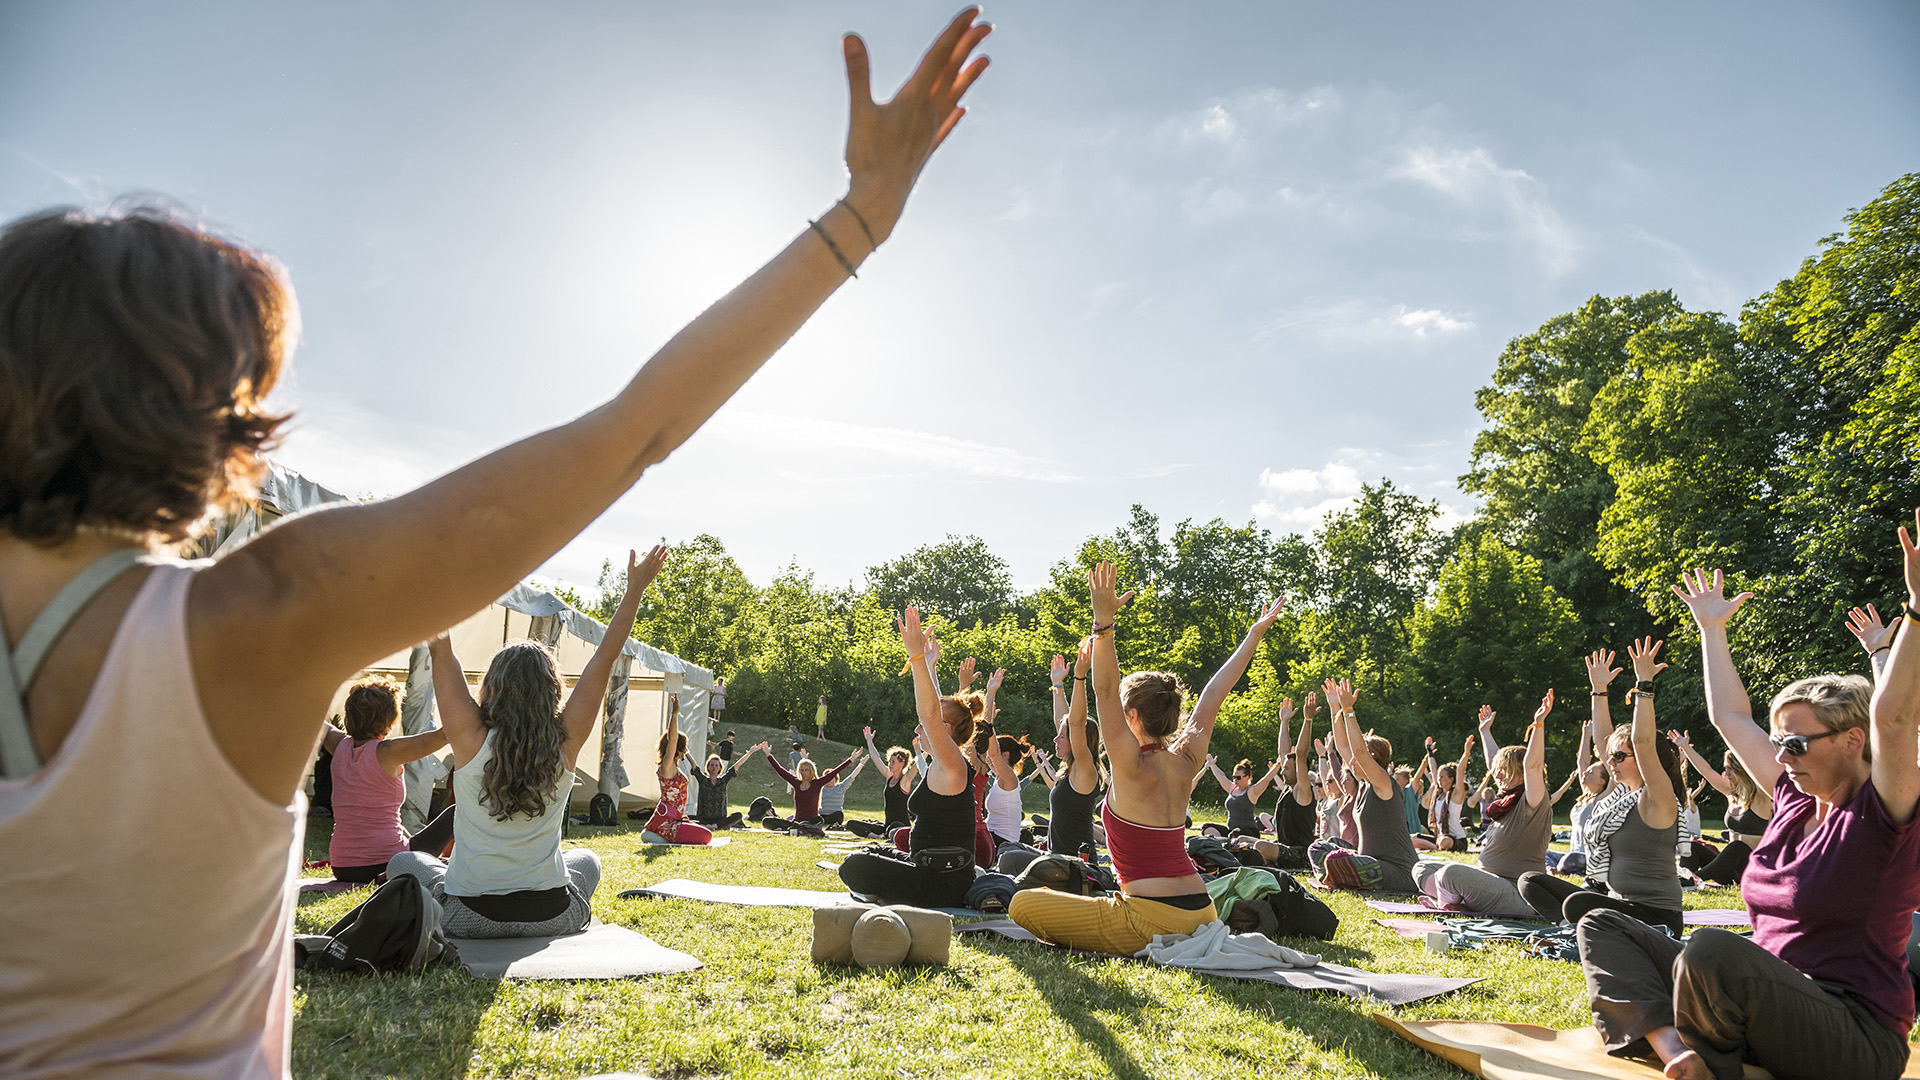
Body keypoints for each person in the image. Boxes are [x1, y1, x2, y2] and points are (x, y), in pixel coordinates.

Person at [0, 13, 991, 1071]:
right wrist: (861, 219)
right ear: (215, 415)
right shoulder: (268, 611)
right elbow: (631, 434)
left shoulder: (273, 612)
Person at [1570, 558, 1920, 1080]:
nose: (1781, 756)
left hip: (1852, 1037)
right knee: (1601, 922)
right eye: (1779, 743)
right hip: (1764, 998)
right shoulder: (1792, 800)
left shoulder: (1882, 812)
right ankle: (1678, 1051)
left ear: (1852, 740)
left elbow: (1893, 718)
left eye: (1796, 744)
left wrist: (1915, 612)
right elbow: (1729, 716)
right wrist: (1712, 629)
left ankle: (1711, 1059)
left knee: (1711, 951)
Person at [1007, 562, 1284, 957]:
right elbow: (1215, 691)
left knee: (1022, 903)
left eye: (1122, 711)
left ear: (1132, 716)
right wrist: (1253, 636)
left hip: (1150, 918)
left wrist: (1103, 624)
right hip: (1203, 913)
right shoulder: (1187, 756)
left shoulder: (1130, 764)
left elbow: (1103, 689)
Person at [388, 546, 661, 937]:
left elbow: (440, 646)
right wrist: (634, 589)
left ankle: (460, 876)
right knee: (586, 861)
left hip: (468, 918)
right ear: (552, 692)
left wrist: (434, 578)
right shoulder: (566, 742)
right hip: (552, 915)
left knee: (405, 862)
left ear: (492, 687)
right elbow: (604, 657)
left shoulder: (469, 737)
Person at [1518, 638, 1684, 934]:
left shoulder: (1658, 798)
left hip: (1655, 916)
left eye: (1621, 756)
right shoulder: (1623, 795)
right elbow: (1602, 740)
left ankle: (1579, 926)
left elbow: (1643, 742)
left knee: (1577, 905)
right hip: (1615, 904)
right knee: (1530, 881)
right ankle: (1574, 929)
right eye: (1612, 757)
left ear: (1645, 759)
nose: (1612, 761)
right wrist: (1599, 690)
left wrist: (1644, 683)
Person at [839, 608, 988, 908]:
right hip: (927, 867)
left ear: (944, 730)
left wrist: (917, 655)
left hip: (942, 883)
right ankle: (881, 890)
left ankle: (877, 892)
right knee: (871, 853)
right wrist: (929, 666)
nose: (919, 728)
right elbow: (933, 707)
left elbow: (929, 712)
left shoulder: (953, 765)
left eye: (927, 726)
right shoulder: (943, 762)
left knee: (853, 866)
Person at [1414, 691, 1554, 914]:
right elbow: (1494, 763)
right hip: (1489, 884)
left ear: (1520, 773)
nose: (1497, 776)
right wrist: (1484, 731)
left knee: (1451, 874)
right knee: (1422, 868)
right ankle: (1455, 899)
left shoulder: (1533, 800)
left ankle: (1450, 902)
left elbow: (1533, 766)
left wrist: (1538, 726)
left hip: (1516, 893)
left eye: (1504, 771)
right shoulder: (1507, 799)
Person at [317, 677, 456, 882]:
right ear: (389, 720)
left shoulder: (338, 746)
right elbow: (442, 736)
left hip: (343, 866)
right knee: (457, 812)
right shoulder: (388, 752)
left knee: (397, 828)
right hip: (387, 865)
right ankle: (459, 865)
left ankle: (445, 863)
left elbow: (314, 719)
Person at [1308, 678, 1419, 892]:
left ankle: (1337, 874)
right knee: (1318, 847)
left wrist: (1348, 708)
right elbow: (1342, 746)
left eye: (1362, 757)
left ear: (1373, 758)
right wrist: (1334, 708)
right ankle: (1337, 875)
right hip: (1368, 862)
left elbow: (1358, 752)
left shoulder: (1384, 784)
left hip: (1397, 872)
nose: (1352, 761)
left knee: (1338, 860)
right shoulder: (1364, 784)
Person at [1673, 731, 1769, 886]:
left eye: (1730, 769)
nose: (1726, 773)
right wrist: (1686, 747)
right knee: (1691, 846)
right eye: (1725, 768)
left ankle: (1693, 879)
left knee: (1738, 847)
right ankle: (1685, 878)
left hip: (1751, 871)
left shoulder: (1761, 797)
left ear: (1742, 768)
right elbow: (1707, 770)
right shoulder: (1730, 793)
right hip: (1729, 870)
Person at [1044, 637, 1103, 860]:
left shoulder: (1085, 768)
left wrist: (1080, 677)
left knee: (1011, 858)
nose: (1055, 739)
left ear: (1078, 741)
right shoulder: (1071, 766)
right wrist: (1057, 685)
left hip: (1075, 865)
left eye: (1062, 737)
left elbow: (1074, 724)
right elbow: (1066, 721)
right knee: (1009, 852)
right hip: (1056, 857)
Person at [764, 750, 861, 829]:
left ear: (811, 771)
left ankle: (798, 827)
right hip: (797, 821)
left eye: (806, 770)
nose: (804, 772)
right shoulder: (796, 783)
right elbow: (780, 770)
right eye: (801, 770)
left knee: (818, 820)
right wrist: (768, 754)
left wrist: (851, 759)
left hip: (812, 821)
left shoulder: (817, 783)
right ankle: (797, 827)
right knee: (767, 821)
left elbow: (835, 771)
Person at [691, 741, 769, 830]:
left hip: (720, 819)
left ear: (720, 767)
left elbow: (737, 765)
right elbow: (694, 765)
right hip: (703, 819)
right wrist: (685, 750)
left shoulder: (723, 780)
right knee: (687, 818)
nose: (714, 767)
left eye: (716, 765)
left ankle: (714, 826)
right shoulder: (703, 780)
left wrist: (750, 752)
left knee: (738, 816)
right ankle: (707, 826)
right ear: (708, 767)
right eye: (711, 765)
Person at [1202, 752, 1281, 838]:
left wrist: (1277, 765)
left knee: (1235, 834)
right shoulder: (1232, 788)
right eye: (1234, 777)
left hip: (1249, 832)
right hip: (1231, 831)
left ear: (1247, 777)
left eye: (1238, 777)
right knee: (1206, 827)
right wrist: (1212, 764)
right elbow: (1221, 777)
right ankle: (1221, 843)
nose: (1235, 780)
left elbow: (1266, 779)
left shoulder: (1252, 792)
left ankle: (1229, 842)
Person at [860, 725, 916, 832]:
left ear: (902, 763)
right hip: (887, 826)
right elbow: (876, 758)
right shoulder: (889, 776)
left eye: (893, 762)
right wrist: (869, 740)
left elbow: (916, 767)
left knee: (893, 827)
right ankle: (878, 835)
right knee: (852, 824)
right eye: (889, 761)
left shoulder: (904, 781)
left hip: (901, 826)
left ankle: (886, 834)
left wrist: (925, 750)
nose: (890, 764)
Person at [816, 750, 867, 828]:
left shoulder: (840, 787)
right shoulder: (820, 787)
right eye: (827, 778)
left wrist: (861, 764)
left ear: (836, 779)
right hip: (822, 815)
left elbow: (852, 777)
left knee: (839, 815)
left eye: (831, 778)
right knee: (815, 817)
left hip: (834, 815)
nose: (829, 780)